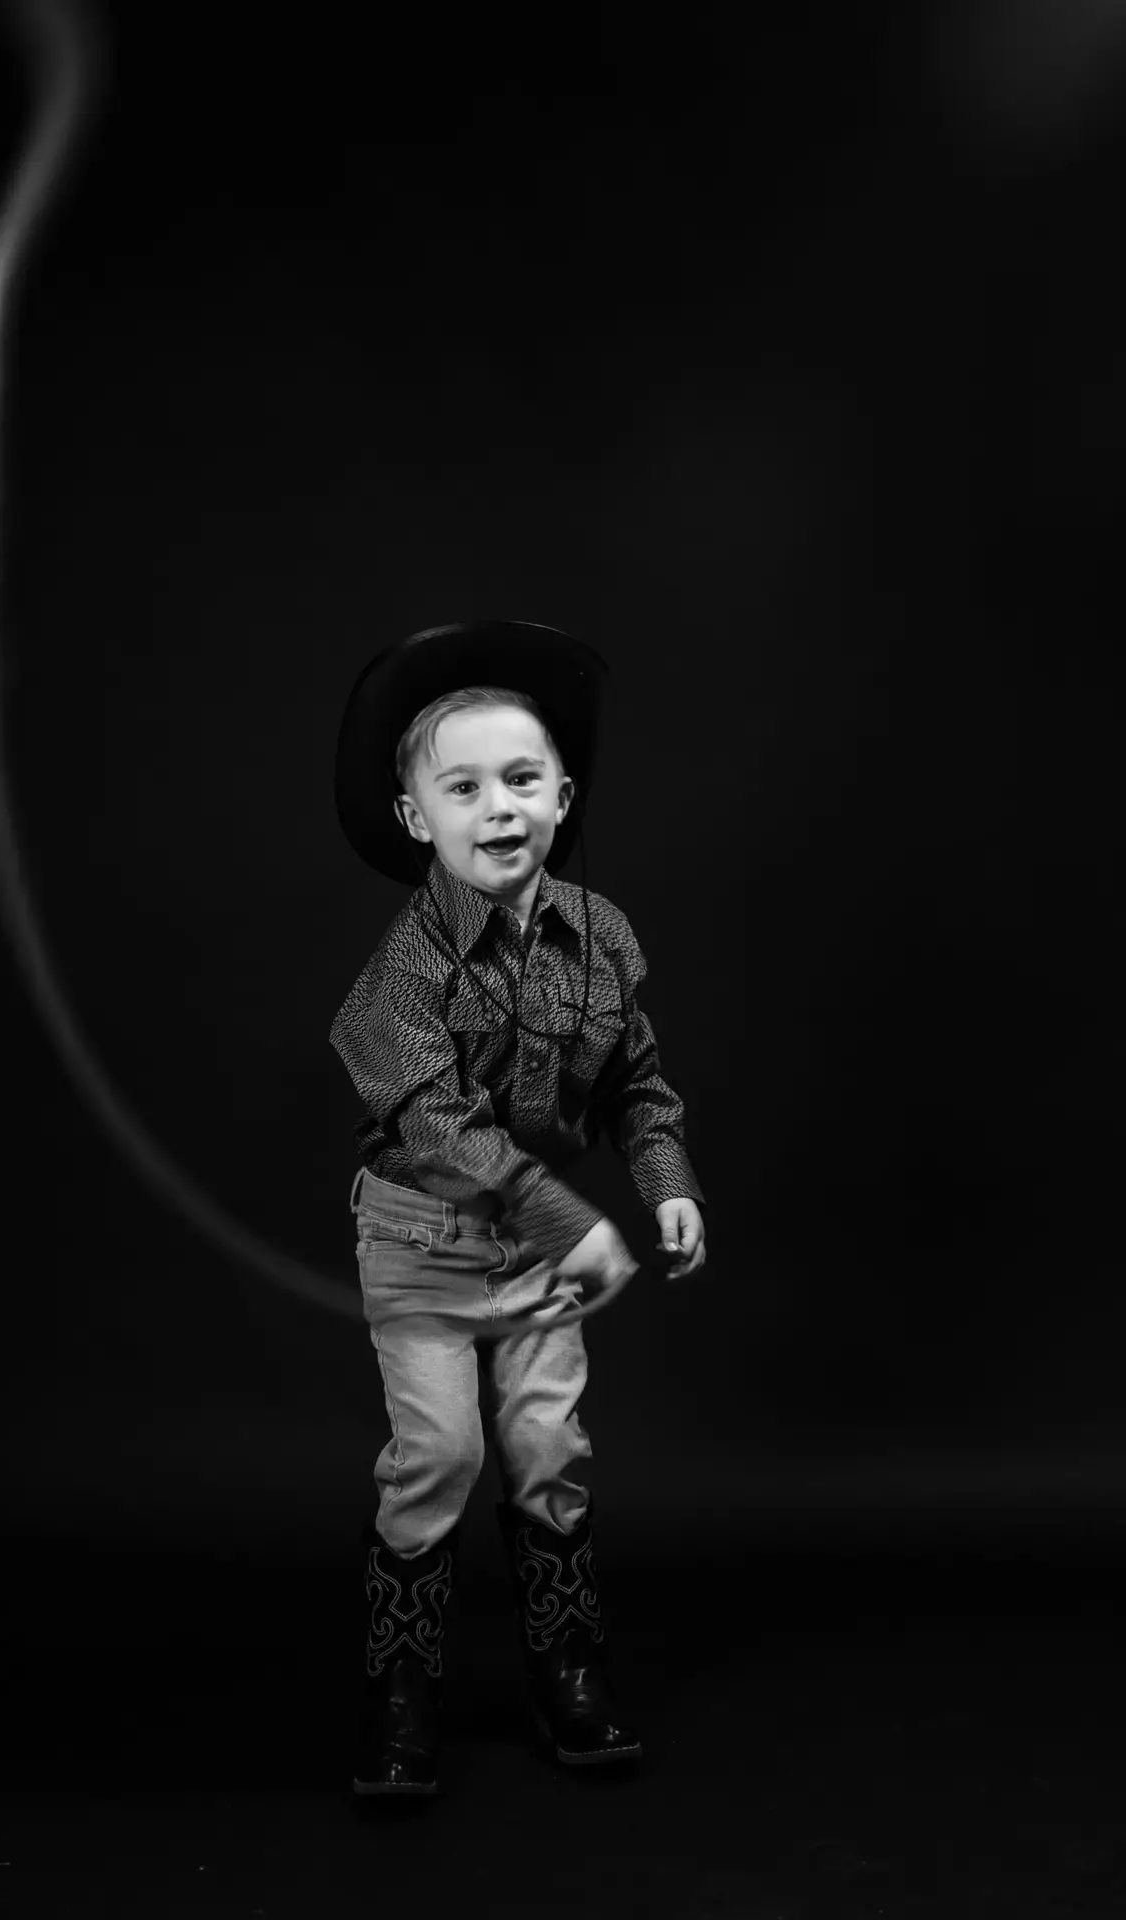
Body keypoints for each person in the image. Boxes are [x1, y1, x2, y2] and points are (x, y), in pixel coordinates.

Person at [330, 620, 707, 1797]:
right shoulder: (400, 976)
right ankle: (401, 1692)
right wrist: (567, 1223)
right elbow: (434, 1128)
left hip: (543, 1254)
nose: (496, 807)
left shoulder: (602, 942)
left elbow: (637, 1084)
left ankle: (568, 1671)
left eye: (521, 781)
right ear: (415, 819)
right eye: (463, 787)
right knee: (436, 1456)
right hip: (424, 1244)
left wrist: (667, 1185)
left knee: (548, 1449)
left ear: (560, 796)